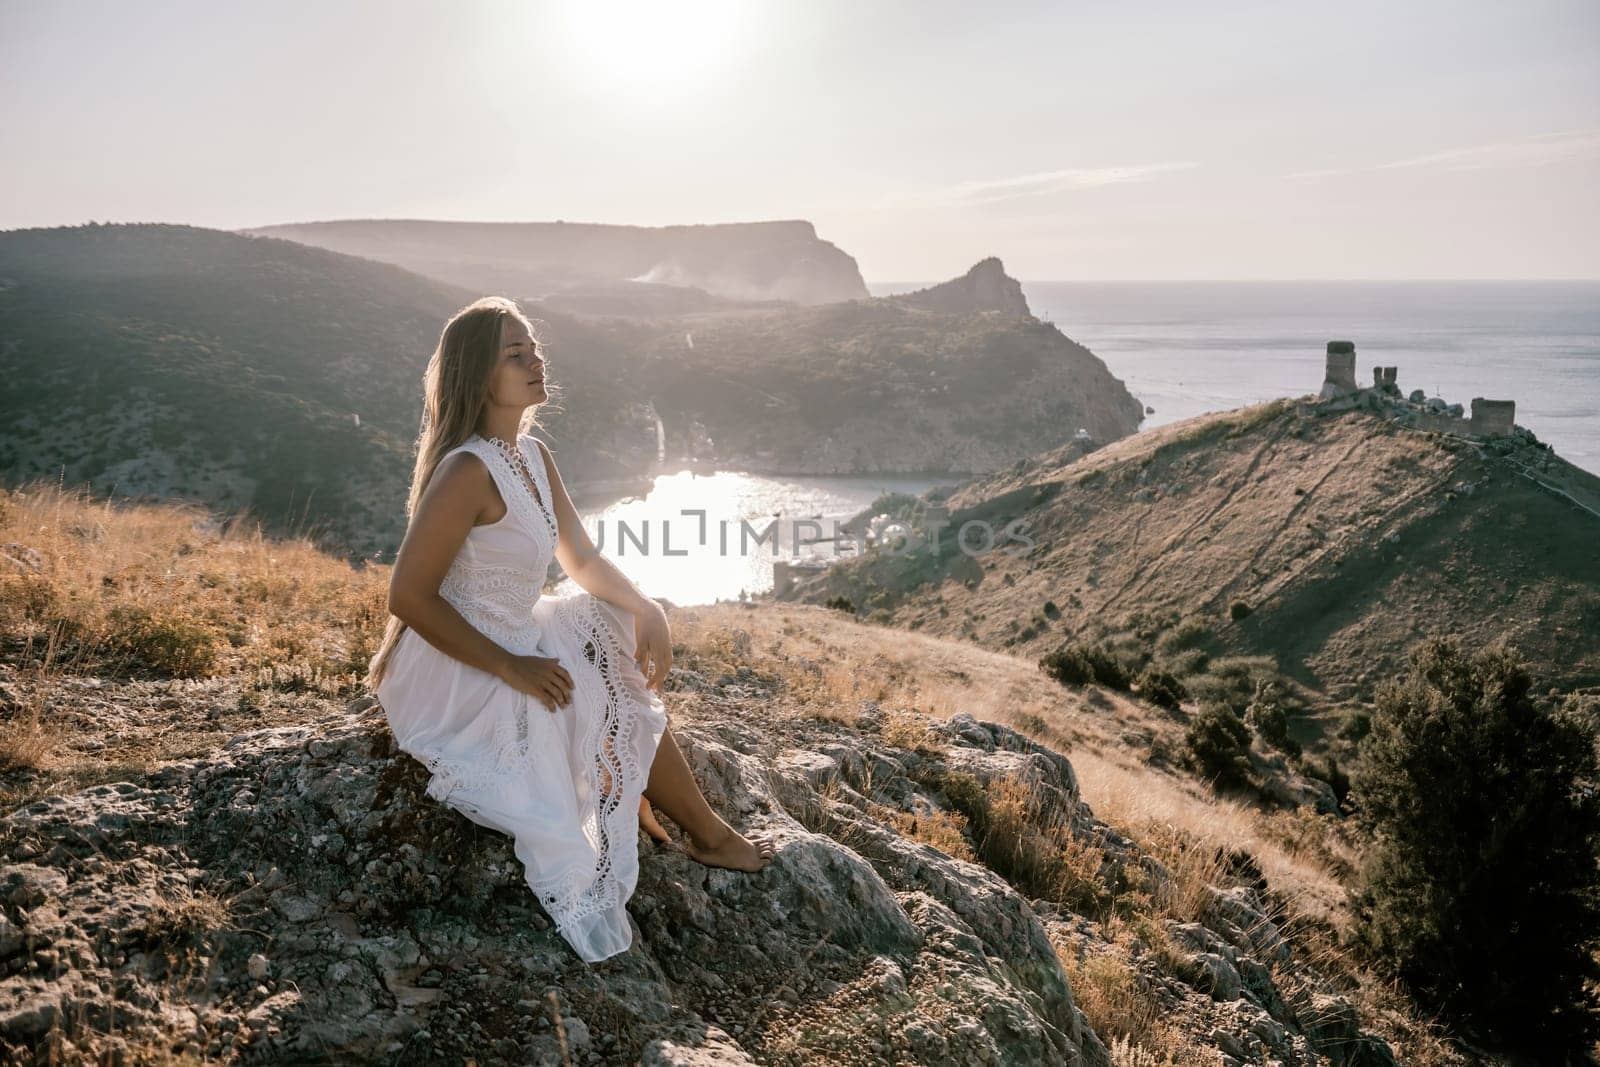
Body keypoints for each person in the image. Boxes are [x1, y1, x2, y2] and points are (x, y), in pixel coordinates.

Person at [365, 296, 775, 963]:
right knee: (573, 689)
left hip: (518, 633)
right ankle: (689, 819)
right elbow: (408, 596)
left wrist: (649, 606)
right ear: (478, 376)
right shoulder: (466, 469)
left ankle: (689, 818)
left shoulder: (529, 454)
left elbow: (579, 558)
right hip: (459, 663)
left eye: (535, 347)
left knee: (609, 629)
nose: (535, 359)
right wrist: (510, 665)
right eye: (515, 353)